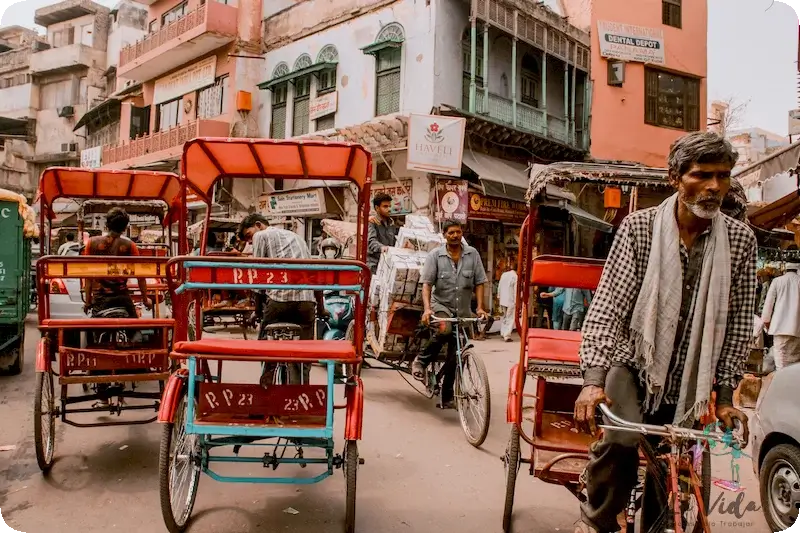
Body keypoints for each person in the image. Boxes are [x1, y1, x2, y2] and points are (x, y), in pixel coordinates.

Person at [572, 132, 756, 533]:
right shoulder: (639, 228)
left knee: (673, 467)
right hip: (634, 363)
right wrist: (592, 380)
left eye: (723, 177)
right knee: (620, 440)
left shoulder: (741, 241)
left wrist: (724, 396)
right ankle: (597, 518)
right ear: (675, 177)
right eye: (702, 175)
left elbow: (739, 324)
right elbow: (608, 309)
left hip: (691, 375)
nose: (714, 187)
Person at [238, 214, 328, 386]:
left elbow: (259, 275)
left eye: (249, 235)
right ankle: (302, 388)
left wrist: (257, 312)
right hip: (306, 302)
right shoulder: (298, 237)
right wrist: (321, 309)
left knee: (266, 345)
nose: (250, 241)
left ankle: (267, 383)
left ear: (258, 225)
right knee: (305, 350)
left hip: (279, 301)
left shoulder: (261, 235)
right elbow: (313, 274)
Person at [412, 219, 488, 409]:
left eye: (458, 232)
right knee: (444, 330)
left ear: (462, 233)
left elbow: (480, 282)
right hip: (441, 306)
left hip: (462, 310)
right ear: (444, 234)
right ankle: (420, 361)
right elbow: (427, 284)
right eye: (451, 233)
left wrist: (479, 308)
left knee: (456, 355)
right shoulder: (435, 256)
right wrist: (428, 308)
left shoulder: (472, 254)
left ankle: (447, 397)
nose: (455, 236)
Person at [83, 208, 153, 318]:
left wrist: (87, 302)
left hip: (100, 298)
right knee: (135, 330)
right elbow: (141, 276)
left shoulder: (91, 243)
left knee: (94, 330)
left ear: (107, 224)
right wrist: (145, 299)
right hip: (122, 297)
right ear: (125, 228)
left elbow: (88, 277)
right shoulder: (130, 245)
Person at [761, 262, 800, 370]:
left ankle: (782, 384)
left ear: (784, 269)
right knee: (796, 365)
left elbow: (768, 305)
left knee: (781, 365)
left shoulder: (777, 281)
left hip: (780, 328)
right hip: (797, 329)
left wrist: (766, 323)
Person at [367, 192, 398, 274]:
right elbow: (371, 241)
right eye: (385, 206)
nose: (389, 209)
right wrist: (382, 247)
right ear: (377, 208)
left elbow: (394, 242)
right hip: (374, 265)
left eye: (389, 206)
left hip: (387, 264)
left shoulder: (391, 223)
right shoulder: (372, 222)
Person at [497, 259, 518, 342]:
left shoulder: (504, 274)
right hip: (510, 300)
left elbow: (499, 286)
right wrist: (516, 301)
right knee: (510, 318)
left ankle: (503, 332)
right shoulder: (515, 277)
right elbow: (515, 290)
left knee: (505, 317)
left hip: (503, 299)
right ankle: (507, 335)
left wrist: (499, 296)